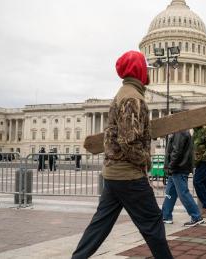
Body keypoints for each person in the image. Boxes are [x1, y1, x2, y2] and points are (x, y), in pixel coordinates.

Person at [72, 50, 173, 259]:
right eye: (144, 66)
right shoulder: (133, 98)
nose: (147, 71)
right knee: (153, 221)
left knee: (100, 224)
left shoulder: (123, 93)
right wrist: (145, 160)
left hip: (113, 173)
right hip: (129, 175)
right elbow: (129, 140)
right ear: (138, 70)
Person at [162, 129, 204, 227]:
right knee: (170, 192)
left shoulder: (179, 131)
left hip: (178, 168)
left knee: (183, 193)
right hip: (177, 167)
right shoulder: (180, 131)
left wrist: (170, 166)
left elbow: (177, 151)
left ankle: (196, 217)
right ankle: (166, 216)